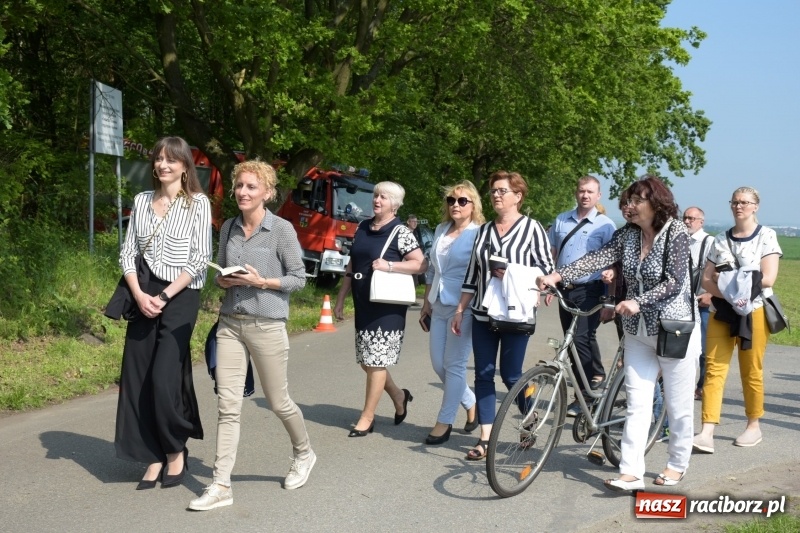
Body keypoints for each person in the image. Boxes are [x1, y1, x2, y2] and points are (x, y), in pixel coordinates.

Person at [537, 175, 699, 491]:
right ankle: (631, 472)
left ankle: (677, 464)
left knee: (678, 405)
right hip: (637, 331)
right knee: (637, 403)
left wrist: (639, 301)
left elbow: (675, 281)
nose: (629, 206)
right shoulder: (628, 234)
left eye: (637, 200)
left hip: (673, 329)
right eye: (628, 200)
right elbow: (598, 258)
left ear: (656, 203)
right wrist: (557, 275)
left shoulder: (675, 232)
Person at [189, 160, 315, 511]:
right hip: (230, 323)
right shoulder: (229, 226)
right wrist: (222, 280)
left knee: (278, 401)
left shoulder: (281, 229)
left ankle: (304, 453)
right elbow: (219, 273)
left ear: (268, 193)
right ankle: (221, 485)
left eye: (251, 187)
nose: (242, 192)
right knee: (228, 406)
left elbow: (299, 278)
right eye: (239, 186)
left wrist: (262, 282)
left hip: (267, 325)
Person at [115, 136, 211, 490]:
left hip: (181, 295)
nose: (163, 165)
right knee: (137, 377)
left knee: (163, 377)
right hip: (143, 291)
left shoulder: (198, 203)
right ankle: (152, 456)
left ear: (185, 166)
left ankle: (174, 450)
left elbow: (200, 257)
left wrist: (164, 296)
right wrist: (140, 295)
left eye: (171, 159)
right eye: (158, 159)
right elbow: (127, 253)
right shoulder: (142, 201)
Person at [452, 170, 554, 461]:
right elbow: (472, 273)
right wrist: (460, 309)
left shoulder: (532, 228)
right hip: (483, 313)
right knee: (483, 374)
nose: (496, 195)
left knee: (511, 375)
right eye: (493, 191)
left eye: (502, 191)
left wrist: (515, 274)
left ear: (518, 196)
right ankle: (485, 437)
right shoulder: (483, 231)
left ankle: (529, 416)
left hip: (515, 314)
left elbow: (546, 269)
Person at [692, 187, 782, 453]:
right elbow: (707, 279)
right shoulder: (720, 239)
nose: (738, 206)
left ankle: (754, 424)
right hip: (722, 310)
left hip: (755, 309)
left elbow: (768, 278)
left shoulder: (767, 236)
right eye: (734, 202)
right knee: (714, 368)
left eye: (744, 202)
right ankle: (707, 430)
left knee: (751, 369)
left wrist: (730, 285)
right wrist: (733, 293)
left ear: (755, 206)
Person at [334, 182, 425, 437]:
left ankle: (367, 417)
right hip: (363, 302)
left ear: (394, 204)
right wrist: (341, 297)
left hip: (387, 306)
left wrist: (390, 266)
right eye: (376, 195)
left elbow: (420, 264)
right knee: (368, 361)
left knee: (375, 362)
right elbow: (352, 264)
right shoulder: (363, 227)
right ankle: (398, 396)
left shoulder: (401, 232)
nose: (377, 200)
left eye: (383, 197)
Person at [419, 181, 484, 444]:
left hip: (463, 307)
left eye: (462, 200)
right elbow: (433, 269)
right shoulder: (441, 229)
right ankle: (470, 402)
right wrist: (426, 301)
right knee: (438, 364)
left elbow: (480, 274)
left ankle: (444, 421)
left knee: (454, 366)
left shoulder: (479, 233)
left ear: (473, 205)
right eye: (451, 200)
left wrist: (463, 306)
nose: (455, 205)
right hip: (438, 304)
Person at [547, 176, 616, 417]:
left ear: (598, 196)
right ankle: (585, 387)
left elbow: (612, 262)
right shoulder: (561, 220)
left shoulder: (606, 225)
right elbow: (553, 253)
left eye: (590, 192)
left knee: (580, 339)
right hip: (564, 288)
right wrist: (550, 284)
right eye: (581, 191)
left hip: (590, 289)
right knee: (570, 341)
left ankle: (587, 393)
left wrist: (609, 299)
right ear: (576, 193)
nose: (585, 195)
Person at [683, 206, 714, 401]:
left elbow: (720, 271)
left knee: (703, 348)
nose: (687, 221)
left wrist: (710, 294)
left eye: (691, 218)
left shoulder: (709, 242)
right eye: (685, 218)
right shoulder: (679, 240)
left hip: (702, 302)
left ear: (701, 222)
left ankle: (702, 386)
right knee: (679, 345)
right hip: (682, 303)